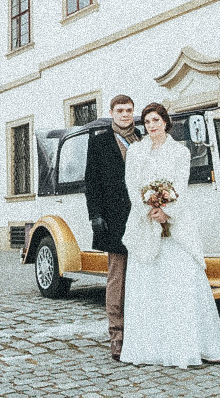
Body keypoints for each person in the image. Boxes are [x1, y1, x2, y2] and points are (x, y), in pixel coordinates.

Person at [119, 102, 220, 368]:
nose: (151, 126)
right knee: (149, 286)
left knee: (180, 283)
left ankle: (190, 347)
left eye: (156, 120)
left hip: (176, 223)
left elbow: (182, 185)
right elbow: (131, 185)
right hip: (145, 222)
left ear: (165, 122)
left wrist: (167, 212)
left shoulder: (180, 151)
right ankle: (151, 349)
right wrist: (149, 209)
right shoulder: (136, 151)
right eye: (147, 122)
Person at [84, 94, 139, 360]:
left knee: (141, 277)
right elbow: (91, 181)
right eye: (120, 110)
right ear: (112, 113)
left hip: (142, 218)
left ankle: (140, 332)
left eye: (129, 110)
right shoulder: (100, 141)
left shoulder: (141, 139)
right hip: (114, 220)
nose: (125, 114)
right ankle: (117, 336)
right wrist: (95, 215)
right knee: (117, 278)